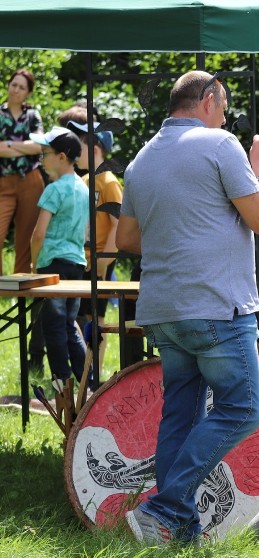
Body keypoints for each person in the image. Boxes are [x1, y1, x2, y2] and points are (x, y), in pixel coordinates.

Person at [116, 70, 259, 545]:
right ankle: (164, 507)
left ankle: (177, 531)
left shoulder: (141, 160)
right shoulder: (221, 144)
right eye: (223, 107)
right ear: (208, 101)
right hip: (215, 308)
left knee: (180, 415)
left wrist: (178, 229)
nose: (224, 116)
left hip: (163, 312)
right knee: (243, 409)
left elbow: (125, 239)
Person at [28, 127, 88, 387]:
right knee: (69, 325)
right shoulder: (83, 188)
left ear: (62, 156)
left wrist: (33, 265)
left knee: (53, 326)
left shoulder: (53, 190)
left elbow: (38, 234)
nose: (41, 157)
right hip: (76, 263)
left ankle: (61, 382)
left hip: (52, 265)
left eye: (45, 153)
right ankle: (89, 380)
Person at [67, 120, 122, 379]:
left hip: (99, 261)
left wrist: (104, 261)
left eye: (81, 143)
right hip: (82, 259)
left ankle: (94, 377)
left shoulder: (109, 181)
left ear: (96, 146)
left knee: (95, 322)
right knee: (79, 319)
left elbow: (118, 224)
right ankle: (83, 374)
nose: (75, 150)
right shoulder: (86, 180)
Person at [0, 69, 45, 276]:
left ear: (28, 92)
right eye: (14, 85)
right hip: (3, 183)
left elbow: (38, 147)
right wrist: (23, 146)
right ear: (8, 85)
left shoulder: (32, 116)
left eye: (21, 87)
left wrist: (8, 144)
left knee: (25, 239)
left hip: (31, 181)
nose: (16, 90)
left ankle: (21, 289)